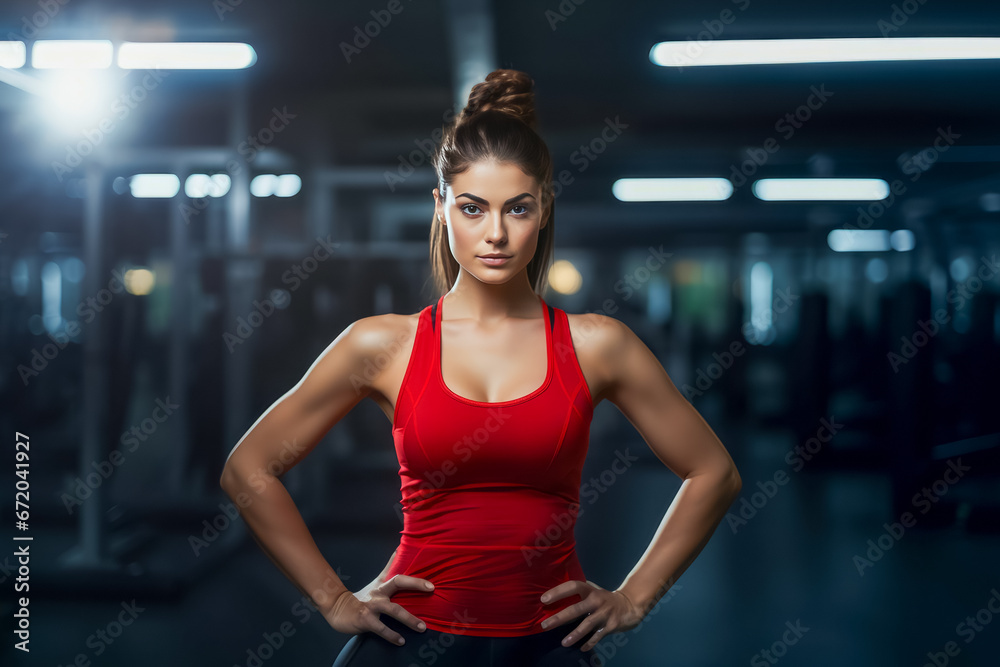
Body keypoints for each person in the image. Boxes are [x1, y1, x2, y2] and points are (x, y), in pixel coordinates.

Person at [220, 69, 743, 666]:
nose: (495, 233)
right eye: (473, 208)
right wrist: (334, 599)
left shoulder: (599, 345)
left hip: (549, 648)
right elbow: (248, 469)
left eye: (517, 209)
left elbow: (713, 474)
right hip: (408, 646)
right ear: (440, 207)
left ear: (544, 209)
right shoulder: (381, 344)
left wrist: (633, 598)